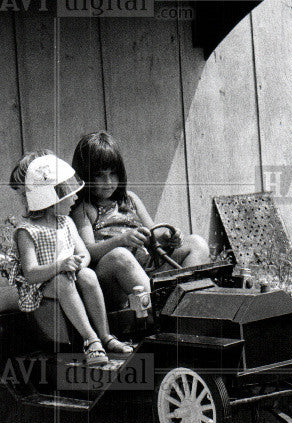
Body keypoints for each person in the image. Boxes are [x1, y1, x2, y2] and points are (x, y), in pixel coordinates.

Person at [7, 150, 133, 364]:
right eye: (69, 194)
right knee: (61, 281)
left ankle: (106, 335)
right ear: (51, 197)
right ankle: (91, 340)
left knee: (88, 276)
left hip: (68, 275)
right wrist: (61, 265)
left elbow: (83, 253)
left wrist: (79, 264)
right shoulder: (26, 231)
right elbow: (31, 273)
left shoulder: (66, 223)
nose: (75, 197)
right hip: (41, 286)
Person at [71, 131, 210, 308]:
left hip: (145, 270)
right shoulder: (84, 209)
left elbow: (153, 233)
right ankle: (165, 310)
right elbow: (87, 252)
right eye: (99, 175)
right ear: (85, 176)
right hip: (113, 281)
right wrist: (121, 240)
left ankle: (189, 303)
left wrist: (167, 237)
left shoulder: (130, 199)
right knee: (120, 256)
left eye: (113, 173)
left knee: (196, 243)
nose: (108, 181)